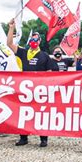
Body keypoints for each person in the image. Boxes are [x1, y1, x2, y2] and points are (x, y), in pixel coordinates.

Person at [7, 19, 58, 147]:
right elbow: (9, 44)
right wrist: (11, 28)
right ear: (29, 41)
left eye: (36, 39)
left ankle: (43, 138)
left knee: (41, 114)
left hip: (39, 90)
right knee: (23, 113)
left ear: (39, 41)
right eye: (32, 39)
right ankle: (23, 138)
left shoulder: (44, 55)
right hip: (25, 90)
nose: (34, 41)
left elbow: (52, 72)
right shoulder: (23, 52)